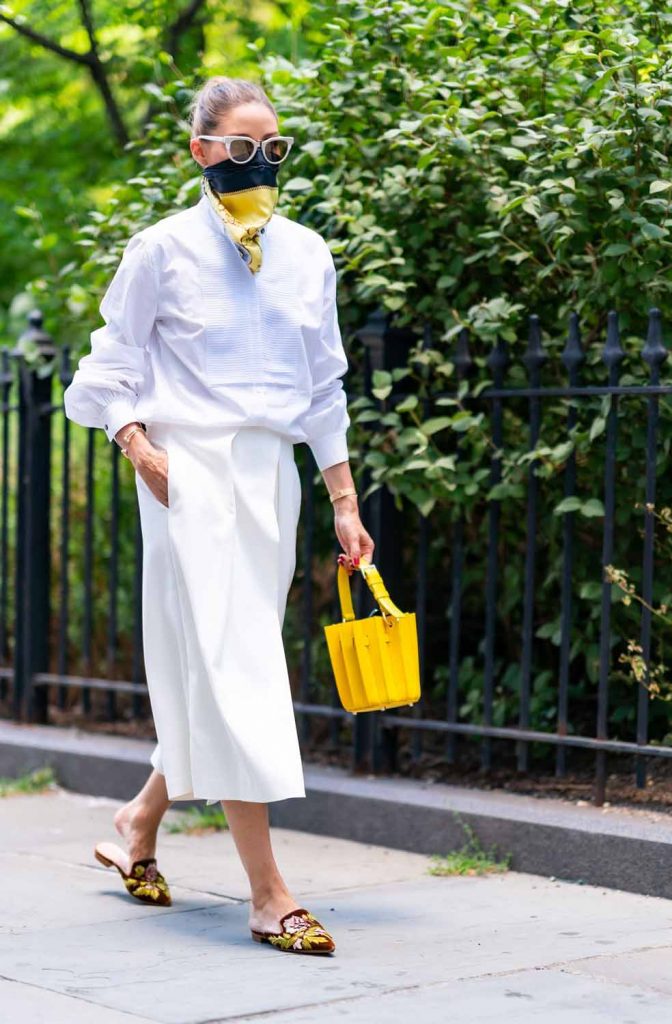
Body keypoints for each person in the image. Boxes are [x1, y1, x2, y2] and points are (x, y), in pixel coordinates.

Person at [63, 75, 375, 955]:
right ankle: (268, 892)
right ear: (202, 152)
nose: (259, 162)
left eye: (273, 148)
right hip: (184, 472)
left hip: (269, 475)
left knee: (223, 664)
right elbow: (106, 367)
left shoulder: (308, 253)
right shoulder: (159, 250)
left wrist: (342, 502)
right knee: (238, 665)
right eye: (242, 147)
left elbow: (323, 391)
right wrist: (137, 443)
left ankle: (136, 821)